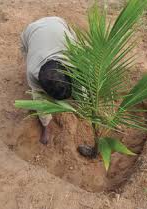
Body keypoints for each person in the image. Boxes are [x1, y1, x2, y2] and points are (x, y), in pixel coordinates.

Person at [21, 17, 95, 157]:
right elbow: (40, 101)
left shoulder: (77, 59)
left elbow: (85, 83)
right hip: (32, 31)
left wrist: (85, 102)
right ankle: (45, 127)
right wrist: (45, 127)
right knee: (39, 101)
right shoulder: (32, 72)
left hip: (57, 23)